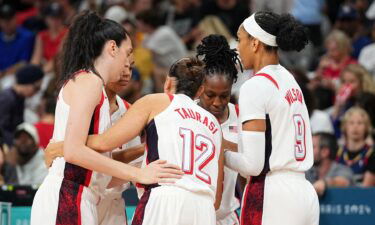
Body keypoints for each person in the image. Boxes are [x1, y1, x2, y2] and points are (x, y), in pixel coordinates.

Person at [30, 11, 182, 225]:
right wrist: (139, 174)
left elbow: (98, 167)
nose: (128, 65)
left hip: (85, 195)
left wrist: (145, 168)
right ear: (112, 48)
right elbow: (74, 151)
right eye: (126, 52)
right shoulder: (88, 80)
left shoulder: (93, 84)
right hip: (68, 192)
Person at [75, 57, 224, 225]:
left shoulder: (157, 101)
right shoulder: (215, 125)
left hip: (166, 199)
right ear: (200, 90)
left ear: (168, 82)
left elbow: (104, 143)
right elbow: (217, 198)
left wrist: (68, 144)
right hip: (204, 210)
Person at [226, 11, 319, 224]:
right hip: (304, 191)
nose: (237, 47)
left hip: (274, 194)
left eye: (240, 40)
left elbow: (253, 165)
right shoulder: (290, 80)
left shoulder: (255, 86)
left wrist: (222, 153)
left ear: (255, 43)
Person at [196, 34, 241, 225]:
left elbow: (252, 163)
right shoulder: (184, 114)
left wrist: (220, 144)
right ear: (200, 88)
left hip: (227, 216)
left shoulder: (242, 116)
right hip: (193, 215)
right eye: (210, 95)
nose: (217, 102)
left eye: (224, 96)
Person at [0, 64, 44, 146]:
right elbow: (2, 129)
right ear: (27, 83)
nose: (36, 92)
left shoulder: (20, 97)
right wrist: (16, 145)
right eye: (36, 88)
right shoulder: (7, 98)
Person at [336, 107, 375, 186]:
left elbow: (366, 189)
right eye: (351, 123)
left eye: (360, 123)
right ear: (345, 127)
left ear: (366, 127)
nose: (355, 127)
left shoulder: (372, 154)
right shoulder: (337, 152)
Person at [306, 132, 353, 197]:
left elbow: (343, 182)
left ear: (325, 152)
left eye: (312, 147)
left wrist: (324, 183)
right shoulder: (307, 171)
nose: (307, 150)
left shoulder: (343, 169)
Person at [0, 4, 35, 76]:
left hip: (18, 75)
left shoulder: (27, 37)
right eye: (4, 20)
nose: (7, 23)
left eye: (10, 19)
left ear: (15, 18)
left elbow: (24, 63)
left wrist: (4, 73)